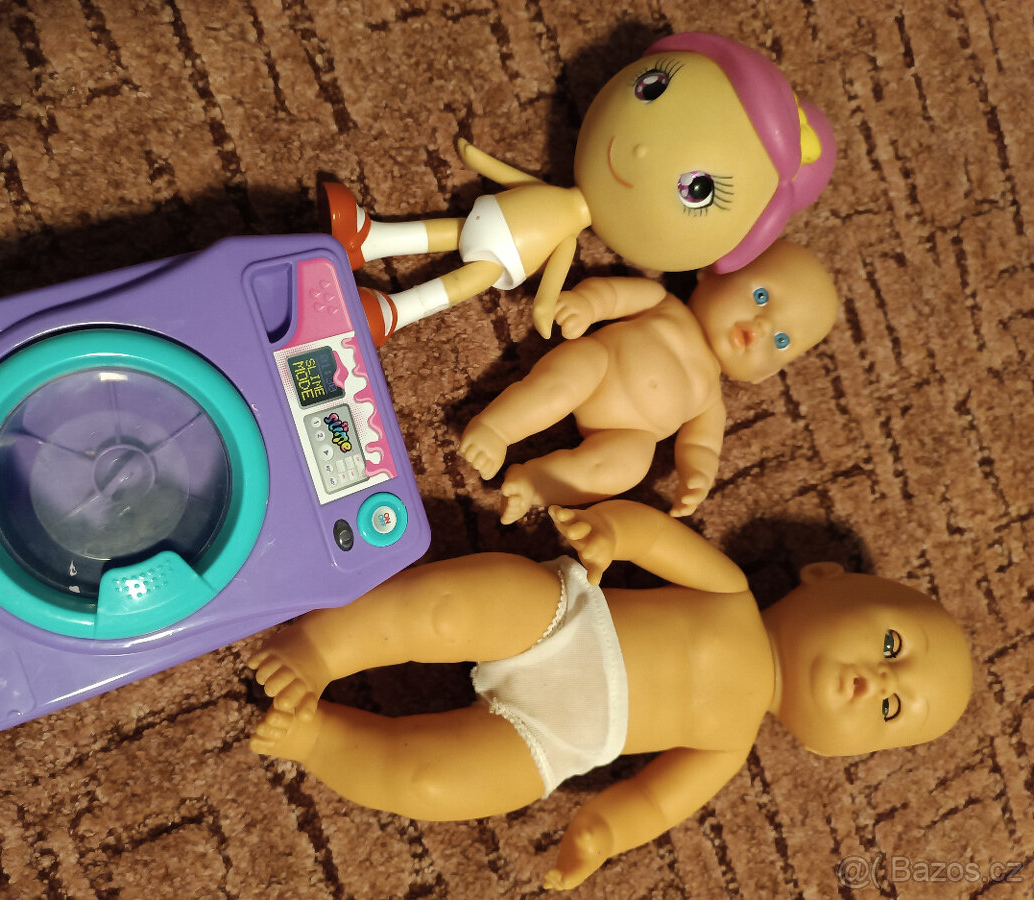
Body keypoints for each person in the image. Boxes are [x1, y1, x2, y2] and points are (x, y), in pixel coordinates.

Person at [248, 501, 973, 891]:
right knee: (445, 608)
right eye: (891, 645)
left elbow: (653, 801)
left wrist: (603, 833)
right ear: (826, 577)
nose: (880, 681)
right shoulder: (730, 592)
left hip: (559, 739)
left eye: (890, 709)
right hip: (565, 621)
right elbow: (655, 540)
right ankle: (319, 649)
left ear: (829, 748)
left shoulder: (728, 746)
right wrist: (611, 532)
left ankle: (318, 740)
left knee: (433, 782)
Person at [322, 31, 836, 344]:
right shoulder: (568, 204)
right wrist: (479, 159)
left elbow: (558, 264)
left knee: (465, 280)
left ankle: (396, 312)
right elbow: (521, 182)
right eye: (654, 88)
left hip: (507, 257)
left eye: (699, 190)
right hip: (499, 214)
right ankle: (370, 237)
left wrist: (545, 305)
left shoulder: (576, 245)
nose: (641, 152)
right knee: (451, 230)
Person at [459, 238, 839, 522]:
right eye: (761, 296)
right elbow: (614, 295)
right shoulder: (662, 302)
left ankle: (536, 484)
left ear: (765, 374)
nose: (763, 326)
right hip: (600, 364)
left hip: (627, 432)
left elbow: (702, 446)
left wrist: (697, 475)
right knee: (559, 385)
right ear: (710, 272)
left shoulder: (710, 399)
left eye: (781, 340)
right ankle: (497, 429)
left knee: (629, 466)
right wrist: (588, 305)